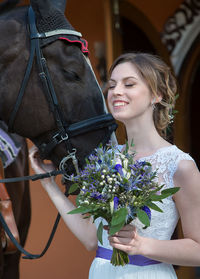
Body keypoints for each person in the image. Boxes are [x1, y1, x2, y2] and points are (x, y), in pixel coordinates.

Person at [29, 52, 200, 279]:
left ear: (156, 95)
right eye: (112, 85)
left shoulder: (180, 166)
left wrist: (142, 246)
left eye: (129, 84)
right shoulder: (105, 159)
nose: (116, 91)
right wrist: (49, 184)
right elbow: (92, 238)